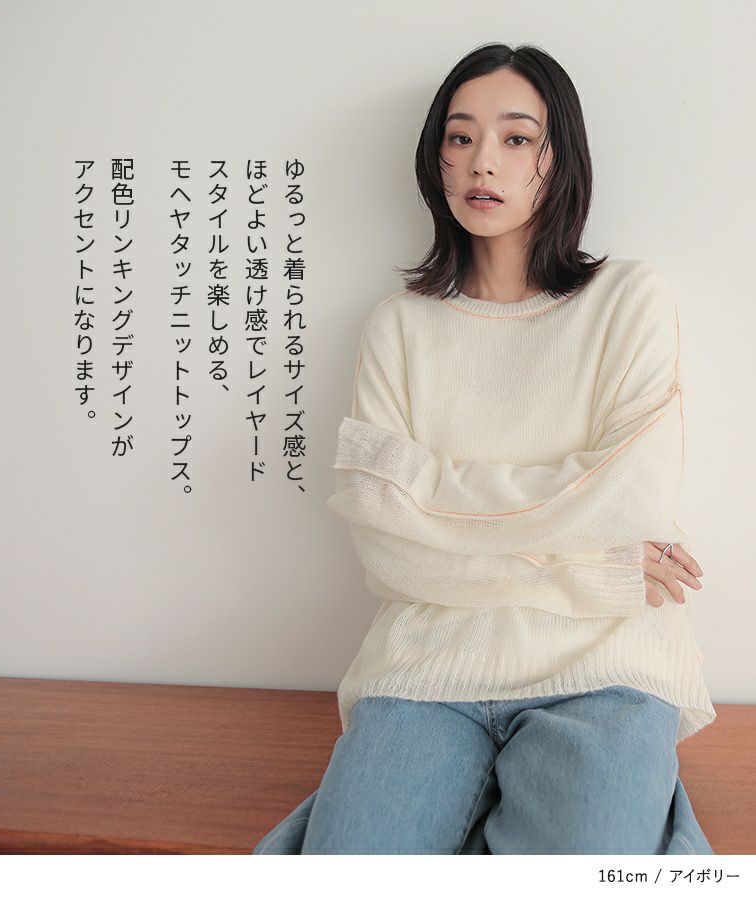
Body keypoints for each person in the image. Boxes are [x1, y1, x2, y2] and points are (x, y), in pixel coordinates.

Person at [252, 42, 716, 855]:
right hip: (425, 669)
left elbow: (632, 498)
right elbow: (388, 549)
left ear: (559, 157)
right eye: (460, 137)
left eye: (516, 137)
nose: (481, 161)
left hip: (606, 669)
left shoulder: (628, 301)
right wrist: (595, 568)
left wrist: (432, 497)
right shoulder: (399, 327)